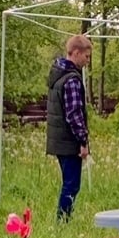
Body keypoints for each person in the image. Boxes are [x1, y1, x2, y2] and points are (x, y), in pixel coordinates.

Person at [46, 34, 92, 220]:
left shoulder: (58, 74)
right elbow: (74, 113)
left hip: (59, 138)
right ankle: (63, 220)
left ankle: (64, 218)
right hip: (68, 140)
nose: (88, 61)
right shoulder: (71, 79)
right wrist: (83, 140)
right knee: (72, 184)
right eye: (86, 56)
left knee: (69, 182)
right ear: (76, 53)